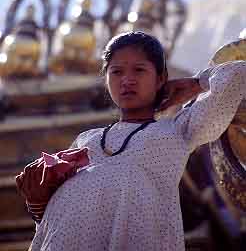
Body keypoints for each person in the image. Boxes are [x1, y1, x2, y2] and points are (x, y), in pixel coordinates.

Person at [16, 31, 246, 251]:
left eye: (139, 70)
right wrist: (36, 204)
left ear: (161, 79)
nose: (127, 80)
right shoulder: (85, 140)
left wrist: (196, 83)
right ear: (105, 80)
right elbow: (60, 212)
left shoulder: (179, 129)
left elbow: (239, 75)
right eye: (116, 72)